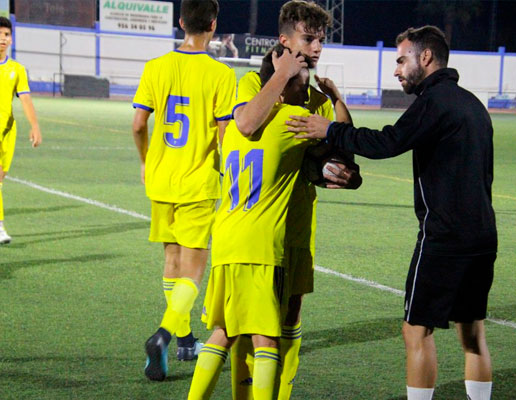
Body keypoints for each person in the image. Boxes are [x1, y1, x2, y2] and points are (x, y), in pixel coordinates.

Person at [288, 25, 497, 400]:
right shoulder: (473, 104)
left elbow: (387, 142)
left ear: (426, 57)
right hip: (483, 237)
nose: (397, 70)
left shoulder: (434, 102)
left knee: (416, 330)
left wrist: (330, 130)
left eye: (402, 60)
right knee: (473, 333)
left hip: (443, 239)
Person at [229, 2, 356, 399]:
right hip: (258, 223)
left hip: (299, 223)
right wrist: (282, 75)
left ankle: (280, 393)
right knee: (250, 322)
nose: (316, 47)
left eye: (320, 39)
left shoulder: (319, 101)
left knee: (292, 311)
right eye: (307, 38)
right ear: (284, 41)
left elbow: (341, 156)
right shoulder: (252, 84)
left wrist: (337, 103)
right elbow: (247, 124)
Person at [187, 45, 317, 400]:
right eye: (301, 85)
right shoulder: (291, 122)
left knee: (224, 330)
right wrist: (335, 102)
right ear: (283, 84)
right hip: (260, 245)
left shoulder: (233, 129)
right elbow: (337, 141)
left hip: (226, 239)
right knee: (265, 338)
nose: (306, 94)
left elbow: (242, 129)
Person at [131, 0, 236, 381]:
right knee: (193, 268)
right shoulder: (221, 74)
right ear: (212, 25)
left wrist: (145, 161)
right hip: (197, 182)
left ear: (180, 23)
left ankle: (185, 337)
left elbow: (139, 124)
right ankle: (164, 335)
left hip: (160, 180)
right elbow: (226, 134)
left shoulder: (155, 67)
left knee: (171, 260)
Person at [0, 16, 42, 245]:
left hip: (8, 130)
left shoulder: (17, 69)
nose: (2, 39)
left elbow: (25, 99)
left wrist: (34, 126)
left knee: (0, 180)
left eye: (6, 35)